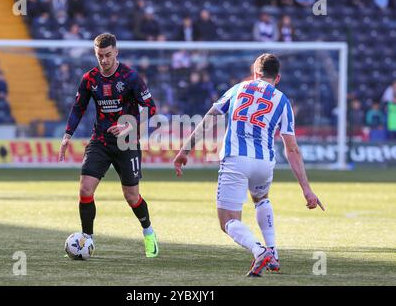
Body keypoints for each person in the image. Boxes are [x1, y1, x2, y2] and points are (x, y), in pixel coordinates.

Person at [173, 54, 324, 277]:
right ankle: (273, 251)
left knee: (228, 221)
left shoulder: (238, 89)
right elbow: (292, 149)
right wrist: (307, 189)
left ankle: (259, 251)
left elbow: (210, 118)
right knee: (261, 198)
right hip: (264, 163)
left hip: (236, 160)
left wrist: (185, 150)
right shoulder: (283, 101)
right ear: (278, 78)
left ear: (255, 73)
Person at [58, 33, 159, 258]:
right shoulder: (89, 79)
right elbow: (78, 108)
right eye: (99, 56)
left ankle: (148, 232)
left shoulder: (131, 77)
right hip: (100, 141)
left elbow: (151, 108)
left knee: (131, 196)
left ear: (116, 53)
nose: (103, 60)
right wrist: (67, 135)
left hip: (127, 142)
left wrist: (129, 126)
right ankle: (87, 239)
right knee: (85, 189)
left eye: (107, 55)